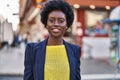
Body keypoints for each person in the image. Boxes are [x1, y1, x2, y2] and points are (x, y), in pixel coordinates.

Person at [24, 0, 81, 80]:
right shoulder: (32, 50)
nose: (56, 24)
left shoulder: (75, 50)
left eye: (61, 21)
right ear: (46, 24)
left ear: (66, 25)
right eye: (51, 20)